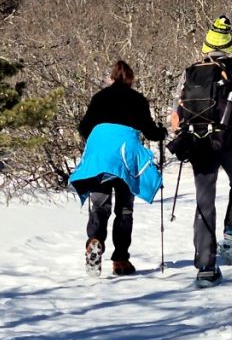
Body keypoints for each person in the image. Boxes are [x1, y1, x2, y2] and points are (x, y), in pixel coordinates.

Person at [169, 16, 232, 288]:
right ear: (230, 44)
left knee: (204, 200)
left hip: (198, 142)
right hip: (231, 138)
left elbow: (175, 115)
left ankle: (205, 267)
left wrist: (180, 135)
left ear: (206, 44)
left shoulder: (190, 71)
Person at [69, 60, 167, 277]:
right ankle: (121, 260)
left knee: (99, 207)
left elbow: (84, 127)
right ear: (131, 80)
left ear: (111, 78)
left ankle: (94, 241)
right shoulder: (138, 99)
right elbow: (150, 132)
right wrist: (161, 133)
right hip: (126, 158)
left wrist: (98, 140)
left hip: (100, 159)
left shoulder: (100, 97)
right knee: (124, 209)